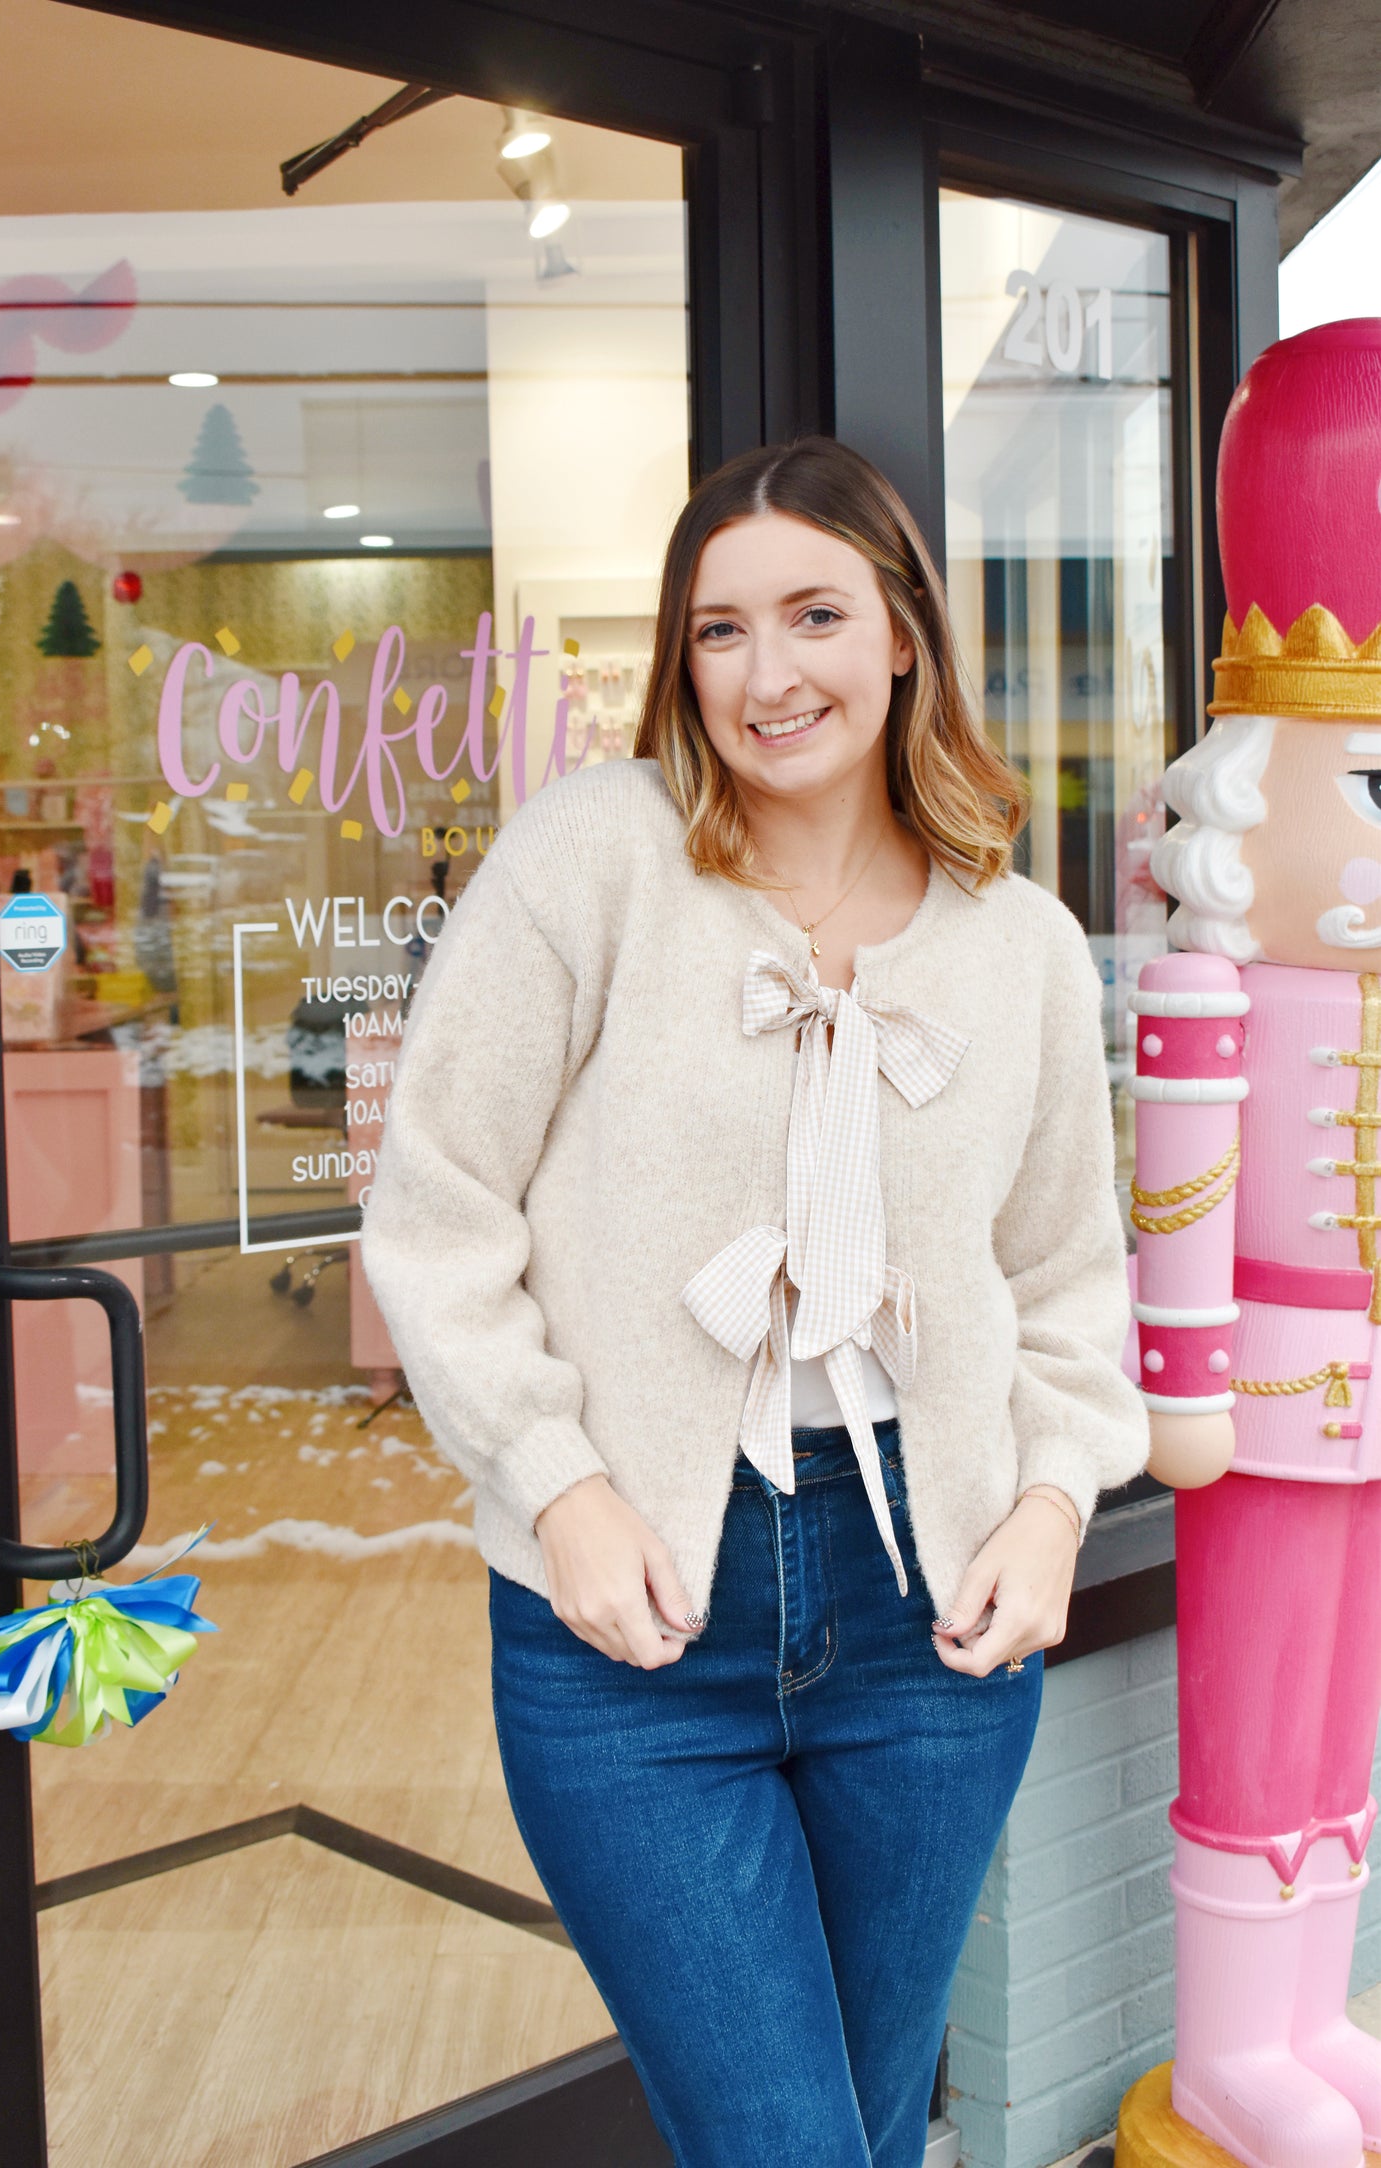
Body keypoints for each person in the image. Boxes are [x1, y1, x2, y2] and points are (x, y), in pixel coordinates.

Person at [362, 435, 1150, 2168]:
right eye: (719, 630)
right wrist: (556, 1485)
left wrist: (1045, 1501)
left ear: (900, 638)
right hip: (630, 1627)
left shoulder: (1012, 938)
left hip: (925, 1623)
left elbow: (1061, 1275)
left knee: (862, 2133)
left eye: (811, 614)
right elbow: (436, 1211)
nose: (766, 672)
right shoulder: (597, 860)